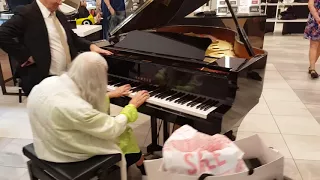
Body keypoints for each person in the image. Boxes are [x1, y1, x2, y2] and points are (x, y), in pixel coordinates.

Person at [27, 52, 150, 180]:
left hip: (45, 141)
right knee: (124, 131)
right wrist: (132, 106)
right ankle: (137, 163)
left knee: (121, 127)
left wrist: (109, 95)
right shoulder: (76, 108)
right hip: (64, 153)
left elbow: (77, 99)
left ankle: (138, 161)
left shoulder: (50, 82)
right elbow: (112, 129)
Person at [0, 0, 113, 95]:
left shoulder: (58, 14)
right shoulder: (27, 13)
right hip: (44, 81)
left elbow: (71, 37)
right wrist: (26, 56)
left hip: (67, 78)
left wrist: (91, 46)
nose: (60, 2)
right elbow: (2, 34)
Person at [304, 0, 320, 79]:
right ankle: (312, 68)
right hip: (316, 20)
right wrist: (318, 19)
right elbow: (310, 5)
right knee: (314, 45)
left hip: (316, 20)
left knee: (317, 46)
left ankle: (311, 67)